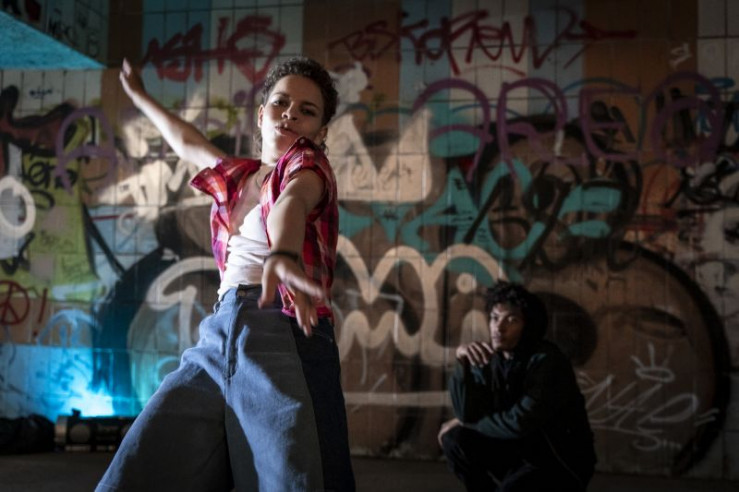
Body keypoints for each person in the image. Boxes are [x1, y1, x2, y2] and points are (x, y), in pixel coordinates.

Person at [96, 56, 355, 491]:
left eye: (307, 110)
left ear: (321, 132)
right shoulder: (238, 178)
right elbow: (187, 142)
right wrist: (139, 96)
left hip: (284, 333)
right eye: (281, 103)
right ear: (262, 114)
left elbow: (292, 201)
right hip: (219, 335)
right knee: (141, 467)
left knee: (296, 479)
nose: (290, 113)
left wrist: (284, 253)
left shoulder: (308, 167)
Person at [438, 282, 596, 491]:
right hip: (520, 452)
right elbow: (466, 412)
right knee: (454, 439)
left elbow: (518, 423)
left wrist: (468, 422)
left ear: (527, 326)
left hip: (558, 462)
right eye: (495, 318)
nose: (498, 327)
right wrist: (462, 363)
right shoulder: (491, 358)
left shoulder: (548, 362)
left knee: (462, 429)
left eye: (511, 320)